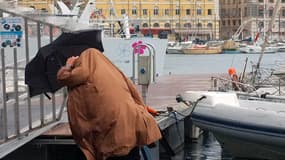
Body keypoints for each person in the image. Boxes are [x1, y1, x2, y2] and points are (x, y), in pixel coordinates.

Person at [57, 48, 162, 160]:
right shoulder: (113, 71)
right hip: (131, 128)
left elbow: (63, 78)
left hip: (112, 140)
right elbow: (134, 94)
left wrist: (68, 65)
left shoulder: (81, 77)